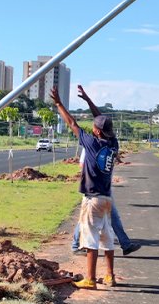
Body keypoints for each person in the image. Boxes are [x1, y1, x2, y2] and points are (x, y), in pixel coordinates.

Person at [51, 85, 118, 289]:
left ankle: (90, 279)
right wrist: (89, 101)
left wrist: (58, 103)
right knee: (107, 239)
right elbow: (103, 121)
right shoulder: (113, 144)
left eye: (94, 126)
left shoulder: (91, 143)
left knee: (90, 239)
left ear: (96, 131)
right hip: (107, 198)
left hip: (93, 199)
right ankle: (110, 276)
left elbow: (71, 122)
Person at [71, 148, 140, 255]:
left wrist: (119, 161)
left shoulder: (108, 145)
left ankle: (125, 244)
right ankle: (76, 245)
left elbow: (113, 158)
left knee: (111, 217)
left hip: (104, 188)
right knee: (88, 217)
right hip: (93, 188)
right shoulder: (90, 145)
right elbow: (82, 164)